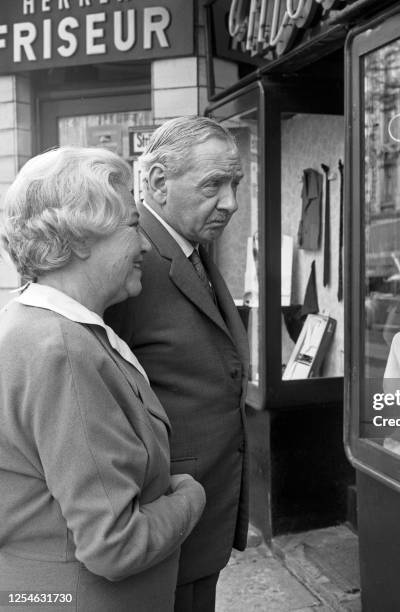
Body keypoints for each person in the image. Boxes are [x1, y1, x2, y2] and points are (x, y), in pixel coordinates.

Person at [0, 147, 206, 611]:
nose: (147, 246)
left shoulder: (29, 327)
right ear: (78, 239)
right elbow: (116, 545)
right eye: (133, 226)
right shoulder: (62, 350)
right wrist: (190, 496)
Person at [105, 116, 250, 612]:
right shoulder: (130, 258)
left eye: (235, 184)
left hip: (198, 515)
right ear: (158, 183)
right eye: (214, 184)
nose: (230, 202)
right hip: (164, 518)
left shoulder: (188, 246)